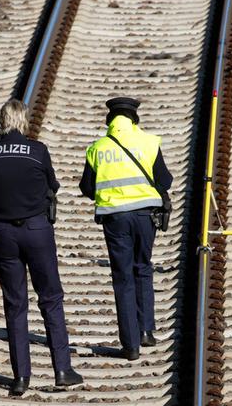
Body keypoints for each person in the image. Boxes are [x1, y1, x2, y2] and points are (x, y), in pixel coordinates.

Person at [0, 99, 82, 396]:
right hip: (37, 231)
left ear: (2, 120)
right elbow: (53, 185)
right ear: (24, 121)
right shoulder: (38, 151)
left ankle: (21, 377)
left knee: (15, 304)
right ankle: (62, 369)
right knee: (50, 298)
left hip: (3, 234)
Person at [78, 97, 173, 360]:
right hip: (145, 217)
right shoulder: (149, 142)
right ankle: (146, 331)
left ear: (110, 121)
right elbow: (164, 180)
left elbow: (87, 187)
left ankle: (131, 345)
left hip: (115, 219)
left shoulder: (97, 148)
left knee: (123, 277)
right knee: (143, 268)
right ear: (134, 120)